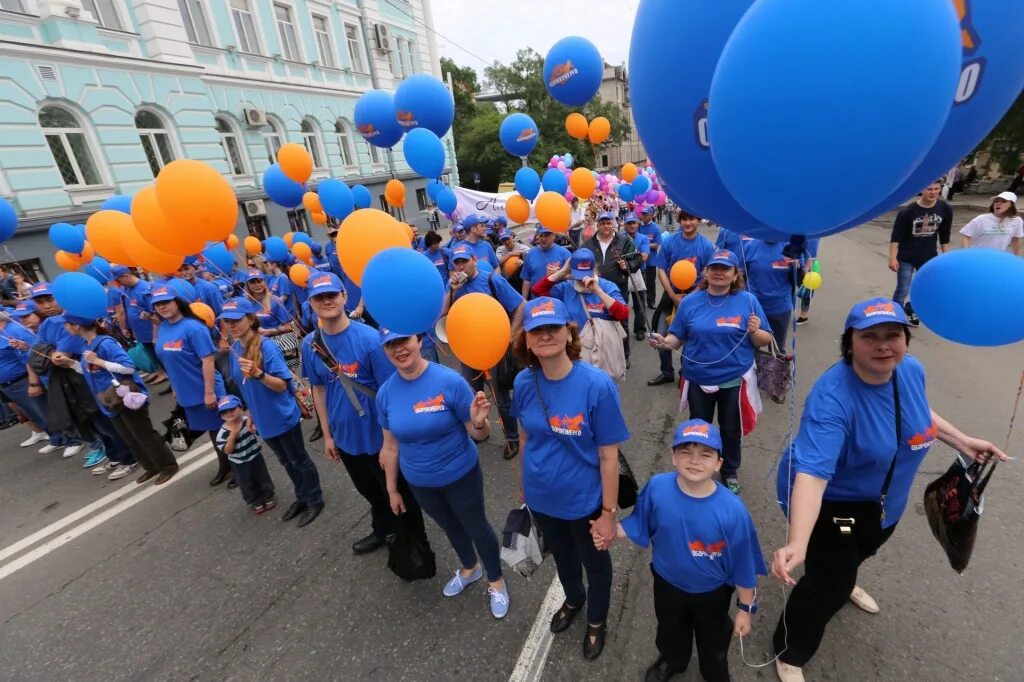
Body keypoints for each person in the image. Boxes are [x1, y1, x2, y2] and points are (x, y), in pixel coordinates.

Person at [770, 298, 1006, 682]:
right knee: (823, 585)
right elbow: (812, 475)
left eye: (893, 335)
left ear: (906, 340)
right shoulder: (834, 398)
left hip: (885, 502)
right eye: (870, 336)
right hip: (834, 505)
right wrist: (797, 540)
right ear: (850, 342)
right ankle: (791, 647)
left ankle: (843, 577)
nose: (884, 345)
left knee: (862, 551)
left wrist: (961, 440)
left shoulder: (909, 369)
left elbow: (916, 413)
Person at [601, 419, 766, 682]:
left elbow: (744, 566)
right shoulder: (657, 488)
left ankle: (714, 670)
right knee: (670, 629)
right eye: (685, 451)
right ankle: (673, 660)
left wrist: (745, 608)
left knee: (713, 639)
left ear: (719, 464)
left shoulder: (733, 511)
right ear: (674, 457)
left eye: (705, 454)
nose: (695, 460)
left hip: (712, 592)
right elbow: (638, 523)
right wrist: (607, 532)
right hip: (667, 584)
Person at [510, 297, 630, 661]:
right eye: (536, 330)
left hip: (585, 502)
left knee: (595, 564)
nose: (545, 335)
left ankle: (596, 620)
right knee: (562, 558)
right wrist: (524, 485)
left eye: (553, 328)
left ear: (568, 333)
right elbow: (527, 437)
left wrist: (609, 514)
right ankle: (574, 599)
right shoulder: (524, 381)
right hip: (543, 500)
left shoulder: (596, 385)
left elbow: (609, 456)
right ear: (527, 340)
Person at [376, 329, 509, 618]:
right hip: (420, 482)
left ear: (419, 340)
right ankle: (470, 568)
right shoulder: (385, 393)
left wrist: (479, 424)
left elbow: (479, 432)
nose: (399, 349)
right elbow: (389, 447)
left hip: (461, 474)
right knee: (450, 527)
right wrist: (392, 490)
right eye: (390, 344)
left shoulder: (449, 381)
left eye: (404, 340)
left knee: (477, 527)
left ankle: (495, 579)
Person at [301, 271, 428, 553]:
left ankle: (414, 546)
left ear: (345, 296)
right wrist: (327, 435)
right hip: (345, 438)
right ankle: (383, 530)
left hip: (378, 439)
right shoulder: (310, 345)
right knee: (370, 492)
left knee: (398, 493)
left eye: (331, 295)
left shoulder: (370, 339)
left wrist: (390, 444)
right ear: (311, 303)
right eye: (318, 297)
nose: (326, 301)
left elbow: (391, 392)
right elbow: (319, 390)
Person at [649, 250, 772, 494]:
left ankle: (729, 470)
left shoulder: (748, 301)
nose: (718, 272)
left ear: (735, 274)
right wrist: (664, 342)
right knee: (699, 428)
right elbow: (677, 338)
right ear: (705, 272)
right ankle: (698, 469)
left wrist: (754, 331)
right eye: (714, 267)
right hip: (698, 378)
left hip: (733, 380)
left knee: (730, 429)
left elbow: (764, 340)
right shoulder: (690, 303)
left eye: (725, 268)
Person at [220, 297, 324, 527]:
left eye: (236, 320)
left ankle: (315, 499)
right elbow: (243, 386)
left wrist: (258, 373)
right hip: (263, 420)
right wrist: (252, 416)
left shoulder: (266, 346)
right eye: (227, 321)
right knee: (285, 461)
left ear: (250, 319)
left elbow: (281, 385)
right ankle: (302, 497)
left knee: (299, 459)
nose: (231, 325)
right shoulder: (235, 349)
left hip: (283, 415)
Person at [69, 314, 178, 483]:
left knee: (144, 434)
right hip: (109, 400)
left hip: (125, 396)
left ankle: (168, 465)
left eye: (67, 325)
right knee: (129, 437)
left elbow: (128, 368)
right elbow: (90, 371)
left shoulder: (105, 344)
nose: (65, 328)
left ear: (76, 326)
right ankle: (151, 467)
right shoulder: (86, 346)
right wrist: (70, 364)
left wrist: (99, 361)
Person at [441, 245, 525, 459]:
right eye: (456, 263)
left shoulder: (491, 280)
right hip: (468, 351)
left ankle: (512, 439)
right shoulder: (452, 286)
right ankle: (480, 429)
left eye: (464, 261)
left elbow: (521, 306)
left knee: (501, 397)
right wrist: (453, 291)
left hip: (493, 350)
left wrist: (510, 336)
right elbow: (442, 315)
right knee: (471, 395)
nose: (460, 266)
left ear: (473, 260)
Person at [151, 285, 233, 487]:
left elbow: (208, 361)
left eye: (166, 302)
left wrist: (209, 392)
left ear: (177, 302)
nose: (162, 307)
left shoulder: (194, 327)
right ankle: (228, 466)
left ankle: (233, 467)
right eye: (158, 304)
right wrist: (176, 388)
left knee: (222, 430)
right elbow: (168, 361)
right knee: (211, 430)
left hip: (206, 389)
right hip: (186, 391)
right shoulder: (163, 327)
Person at [530, 248, 630, 378]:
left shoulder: (607, 286)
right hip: (574, 350)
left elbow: (623, 314)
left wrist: (597, 290)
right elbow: (538, 290)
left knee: (601, 386)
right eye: (578, 275)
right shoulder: (567, 287)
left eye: (585, 274)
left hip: (602, 350)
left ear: (593, 270)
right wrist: (562, 272)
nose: (582, 280)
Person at [648, 210, 717, 387]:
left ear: (698, 220)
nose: (687, 223)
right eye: (684, 219)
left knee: (692, 336)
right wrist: (672, 294)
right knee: (662, 334)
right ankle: (666, 371)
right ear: (679, 221)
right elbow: (661, 269)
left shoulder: (707, 246)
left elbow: (708, 275)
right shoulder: (670, 241)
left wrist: (691, 296)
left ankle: (686, 372)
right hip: (671, 294)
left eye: (691, 219)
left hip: (697, 296)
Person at [888, 180, 953, 327]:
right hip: (906, 256)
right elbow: (896, 237)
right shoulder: (907, 211)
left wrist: (946, 258)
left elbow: (945, 235)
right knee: (903, 288)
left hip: (928, 256)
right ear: (921, 190)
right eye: (929, 189)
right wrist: (892, 257)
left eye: (936, 189)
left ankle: (911, 308)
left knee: (926, 288)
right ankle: (894, 316)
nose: (933, 192)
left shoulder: (945, 209)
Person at [583, 212, 641, 363]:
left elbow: (637, 258)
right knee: (597, 320)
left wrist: (628, 265)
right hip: (594, 289)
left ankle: (624, 354)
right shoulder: (589, 244)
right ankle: (600, 352)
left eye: (608, 223)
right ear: (598, 225)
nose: (606, 226)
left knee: (621, 320)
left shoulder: (623, 240)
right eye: (602, 223)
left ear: (613, 224)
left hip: (617, 288)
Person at [215, 395, 277, 514]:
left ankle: (268, 496)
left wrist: (254, 425)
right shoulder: (222, 433)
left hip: (255, 456)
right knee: (245, 482)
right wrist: (232, 436)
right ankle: (255, 501)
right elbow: (227, 451)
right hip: (239, 462)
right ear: (221, 416)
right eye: (225, 412)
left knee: (262, 477)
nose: (229, 413)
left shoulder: (246, 421)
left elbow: (259, 431)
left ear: (241, 408)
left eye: (232, 409)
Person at [112, 266, 167, 385]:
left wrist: (155, 334)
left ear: (125, 276)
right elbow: (126, 309)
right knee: (150, 353)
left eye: (118, 280)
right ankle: (160, 371)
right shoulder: (125, 290)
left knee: (159, 354)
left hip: (150, 329)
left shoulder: (145, 288)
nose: (118, 283)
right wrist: (127, 327)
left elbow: (153, 312)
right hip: (140, 331)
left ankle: (166, 375)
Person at [742, 238, 798, 349]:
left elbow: (799, 281)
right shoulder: (749, 246)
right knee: (751, 346)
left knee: (777, 350)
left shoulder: (791, 247)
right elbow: (741, 276)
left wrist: (796, 267)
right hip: (754, 307)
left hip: (780, 307)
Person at [519, 224, 571, 299]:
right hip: (537, 302)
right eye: (541, 235)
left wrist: (559, 273)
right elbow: (526, 280)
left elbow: (574, 277)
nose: (543, 239)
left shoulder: (565, 253)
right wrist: (524, 301)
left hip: (559, 300)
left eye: (546, 235)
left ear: (553, 235)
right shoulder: (530, 254)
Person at [621, 212, 651, 341]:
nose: (631, 226)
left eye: (633, 223)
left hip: (640, 273)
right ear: (625, 225)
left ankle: (640, 329)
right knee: (623, 303)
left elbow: (644, 256)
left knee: (639, 303)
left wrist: (628, 259)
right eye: (629, 223)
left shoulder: (643, 238)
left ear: (638, 224)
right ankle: (623, 329)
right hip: (622, 274)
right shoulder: (619, 237)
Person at [638, 207, 664, 307]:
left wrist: (643, 245)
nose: (643, 216)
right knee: (639, 282)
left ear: (651, 215)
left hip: (651, 260)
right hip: (639, 260)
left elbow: (657, 245)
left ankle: (651, 301)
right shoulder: (638, 226)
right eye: (642, 214)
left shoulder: (656, 228)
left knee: (650, 282)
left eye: (646, 214)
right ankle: (640, 302)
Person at [795, 239, 821, 327]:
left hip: (808, 268)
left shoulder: (813, 236)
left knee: (806, 292)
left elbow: (811, 256)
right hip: (801, 265)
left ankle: (803, 316)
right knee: (803, 289)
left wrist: (806, 270)